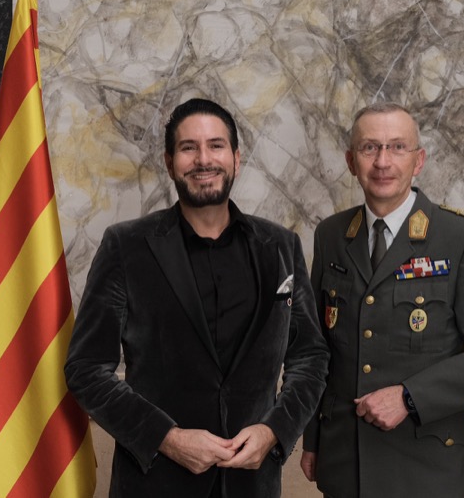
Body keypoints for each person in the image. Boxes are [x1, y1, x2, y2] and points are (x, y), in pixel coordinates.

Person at [65, 97, 329, 498]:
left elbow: (310, 357)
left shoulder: (280, 246)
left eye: (216, 146)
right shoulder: (126, 246)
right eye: (189, 148)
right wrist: (168, 438)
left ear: (236, 158)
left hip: (252, 487)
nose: (204, 159)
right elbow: (86, 369)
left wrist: (274, 431)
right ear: (170, 162)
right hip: (154, 486)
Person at [300, 102, 464, 498]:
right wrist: (313, 438)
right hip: (345, 463)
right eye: (370, 148)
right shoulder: (332, 235)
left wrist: (409, 397)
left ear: (418, 160)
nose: (382, 161)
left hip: (425, 471)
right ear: (351, 161)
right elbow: (319, 347)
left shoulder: (463, 239)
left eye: (397, 147)